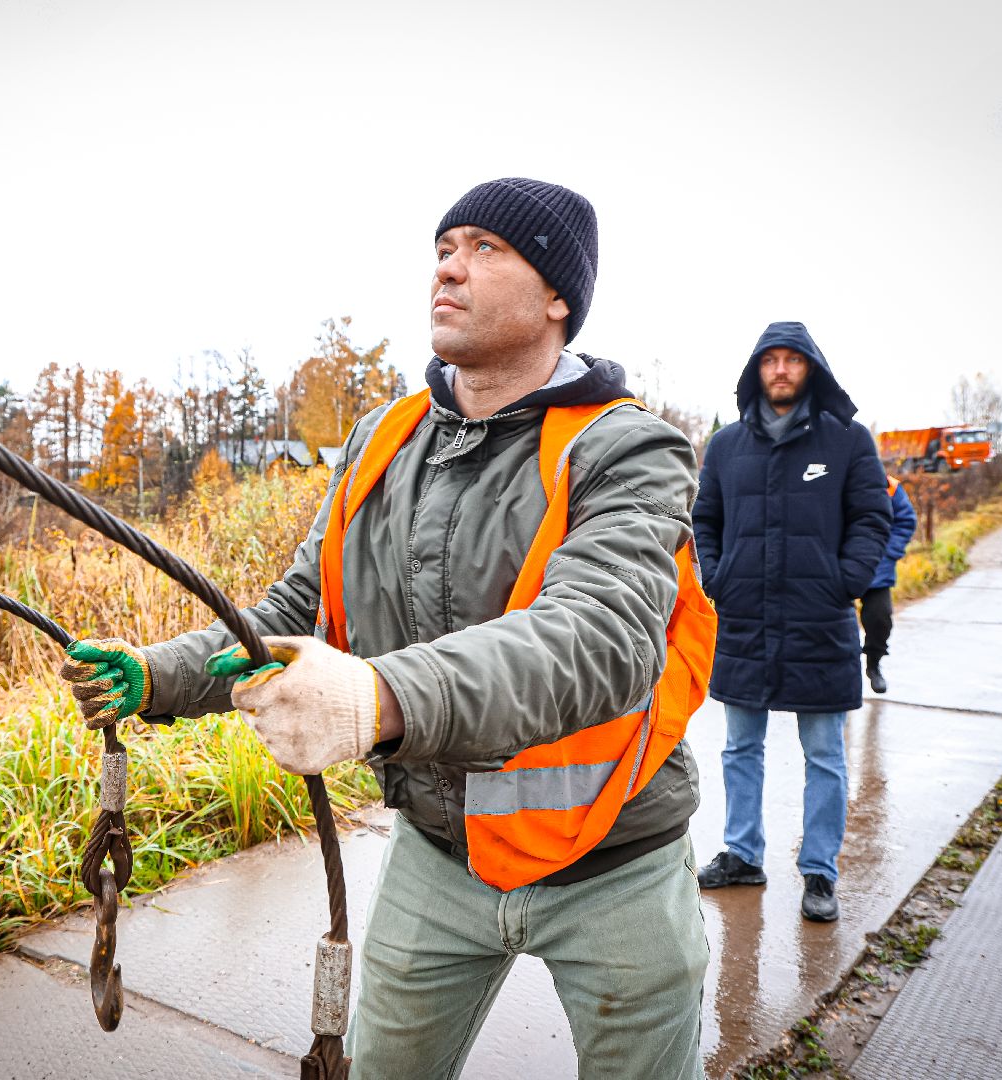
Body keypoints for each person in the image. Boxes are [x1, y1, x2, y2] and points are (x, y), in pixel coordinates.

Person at [61, 178, 712, 1078]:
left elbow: (599, 639)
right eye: (444, 248)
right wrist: (158, 673)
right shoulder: (383, 440)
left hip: (617, 865)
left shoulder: (627, 447)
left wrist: (379, 695)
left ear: (558, 297)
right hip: (438, 860)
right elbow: (294, 613)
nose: (449, 268)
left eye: (485, 248)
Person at [690, 322, 891, 922]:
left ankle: (820, 871)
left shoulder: (847, 440)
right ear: (756, 370)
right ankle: (742, 854)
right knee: (739, 747)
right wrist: (717, 578)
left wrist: (845, 581)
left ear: (811, 368)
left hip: (819, 620)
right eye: (770, 360)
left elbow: (872, 518)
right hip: (744, 618)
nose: (780, 370)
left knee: (825, 753)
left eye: (792, 360)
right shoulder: (726, 446)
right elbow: (704, 519)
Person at [861, 473, 916, 693]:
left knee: (880, 619)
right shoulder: (835, 476)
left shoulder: (889, 486)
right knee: (834, 623)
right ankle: (840, 670)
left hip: (877, 568)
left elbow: (905, 520)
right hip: (838, 566)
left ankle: (873, 664)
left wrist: (888, 553)